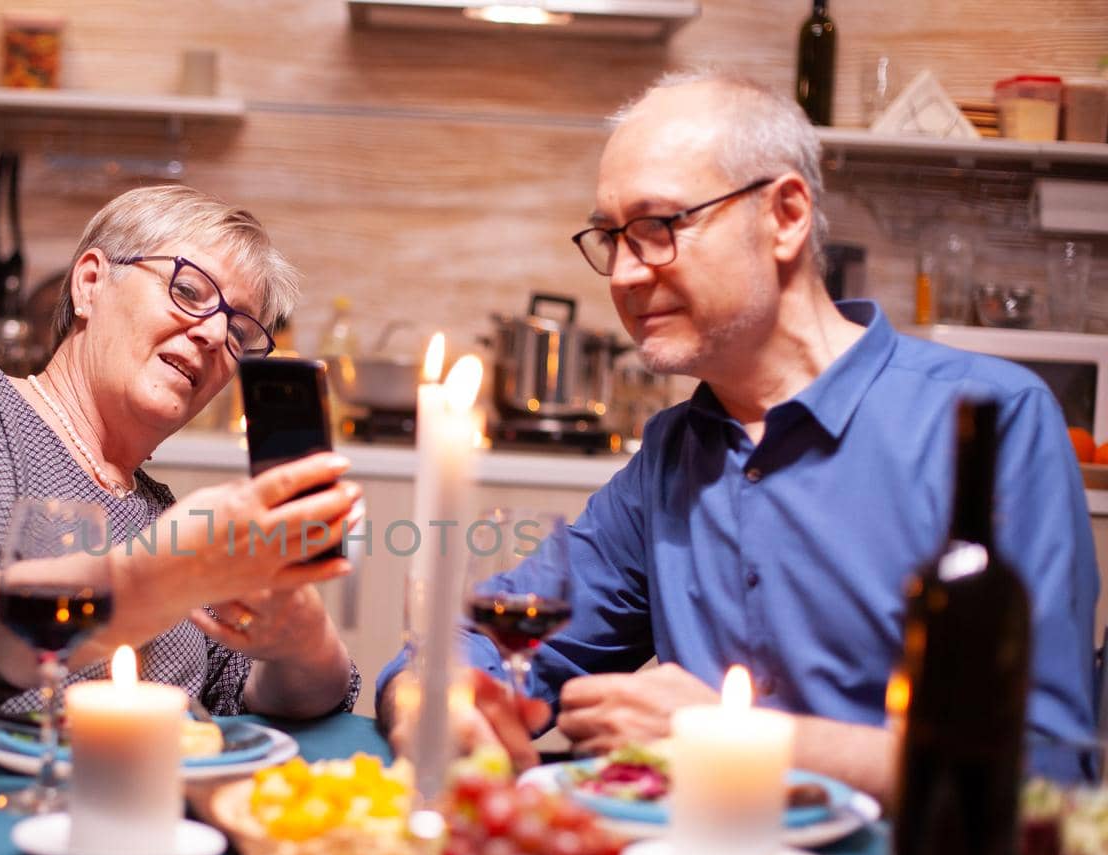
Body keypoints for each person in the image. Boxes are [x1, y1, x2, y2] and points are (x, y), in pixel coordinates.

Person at [377, 72, 1099, 799]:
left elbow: (1044, 771)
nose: (625, 274)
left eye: (659, 226)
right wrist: (437, 696)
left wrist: (725, 736)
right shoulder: (671, 457)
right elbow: (477, 634)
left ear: (784, 215)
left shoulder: (990, 422)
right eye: (610, 236)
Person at [0, 184, 361, 749]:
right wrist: (152, 577)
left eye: (239, 332)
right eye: (189, 290)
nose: (214, 334)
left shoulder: (155, 511)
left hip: (101, 818)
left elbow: (248, 695)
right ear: (90, 284)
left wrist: (305, 641)